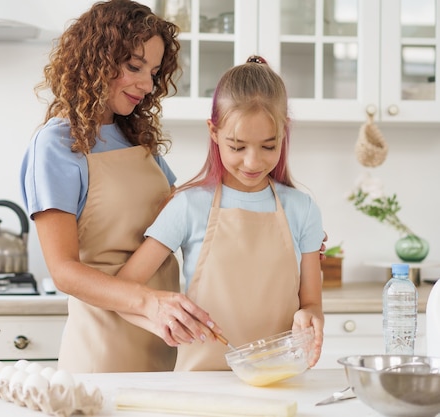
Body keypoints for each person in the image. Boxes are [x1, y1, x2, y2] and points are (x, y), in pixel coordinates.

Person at [20, 0, 222, 373]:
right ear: (96, 59)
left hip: (162, 338)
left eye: (154, 72)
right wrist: (148, 302)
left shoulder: (133, 136)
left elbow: (180, 213)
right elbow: (64, 270)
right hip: (104, 347)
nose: (147, 85)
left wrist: (278, 229)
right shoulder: (57, 145)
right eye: (134, 66)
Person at [117, 56, 325, 371]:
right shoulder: (188, 205)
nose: (253, 162)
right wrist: (162, 318)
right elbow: (125, 289)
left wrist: (310, 315)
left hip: (279, 380)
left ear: (284, 133)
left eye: (268, 147)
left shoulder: (303, 209)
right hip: (201, 383)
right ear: (213, 132)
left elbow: (312, 303)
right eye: (238, 147)